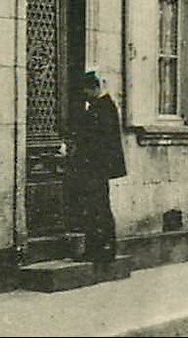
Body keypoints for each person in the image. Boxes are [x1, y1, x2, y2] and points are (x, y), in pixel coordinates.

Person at [68, 70, 126, 264]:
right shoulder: (100, 107)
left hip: (96, 168)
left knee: (97, 208)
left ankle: (103, 249)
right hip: (94, 167)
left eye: (86, 90)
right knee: (95, 208)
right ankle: (99, 249)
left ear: (94, 88)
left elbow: (97, 141)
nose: (84, 94)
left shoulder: (102, 108)